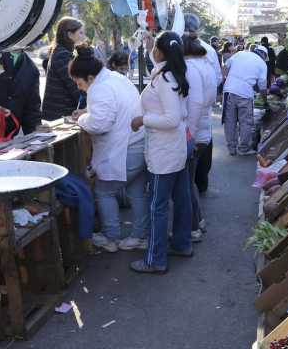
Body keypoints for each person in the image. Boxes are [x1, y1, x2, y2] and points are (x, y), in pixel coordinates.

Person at [69, 46, 148, 253]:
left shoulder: (99, 88)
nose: (79, 88)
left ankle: (110, 238)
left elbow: (100, 124)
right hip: (138, 144)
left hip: (125, 150)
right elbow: (116, 107)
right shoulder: (115, 78)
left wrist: (84, 118)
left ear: (89, 77)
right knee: (137, 192)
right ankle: (140, 236)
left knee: (104, 192)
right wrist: (88, 111)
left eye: (79, 83)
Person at [129, 31, 193, 274]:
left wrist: (142, 120)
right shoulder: (172, 73)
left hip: (164, 151)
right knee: (182, 198)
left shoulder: (165, 79)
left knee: (157, 206)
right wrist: (149, 43)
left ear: (161, 52)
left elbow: (171, 119)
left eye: (154, 47)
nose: (151, 50)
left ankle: (155, 259)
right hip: (174, 149)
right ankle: (181, 243)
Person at [183, 35, 217, 240]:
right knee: (188, 182)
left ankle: (194, 225)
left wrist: (189, 134)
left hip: (195, 131)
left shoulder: (191, 68)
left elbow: (194, 104)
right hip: (204, 128)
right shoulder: (205, 65)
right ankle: (197, 221)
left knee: (186, 183)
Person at [222, 49, 267, 156]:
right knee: (245, 122)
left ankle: (231, 148)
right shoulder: (262, 64)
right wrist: (265, 101)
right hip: (245, 93)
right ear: (264, 56)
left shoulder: (240, 53)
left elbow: (225, 67)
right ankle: (243, 148)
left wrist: (227, 80)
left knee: (229, 121)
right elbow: (263, 87)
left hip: (229, 91)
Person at [42, 17, 86, 121]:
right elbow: (77, 87)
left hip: (61, 115)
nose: (84, 37)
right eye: (81, 33)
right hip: (60, 116)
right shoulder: (63, 55)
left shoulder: (63, 52)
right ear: (70, 35)